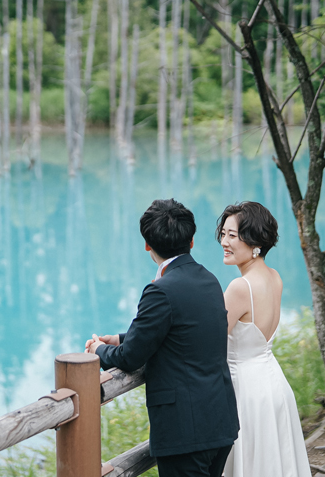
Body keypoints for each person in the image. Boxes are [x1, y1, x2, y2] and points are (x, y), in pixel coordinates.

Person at [85, 198, 239, 477]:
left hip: (185, 430)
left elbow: (130, 358)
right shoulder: (209, 279)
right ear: (191, 241)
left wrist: (98, 350)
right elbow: (184, 329)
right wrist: (121, 338)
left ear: (147, 245)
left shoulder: (161, 290)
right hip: (220, 420)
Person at [217, 201, 312, 477]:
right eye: (223, 234)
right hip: (273, 384)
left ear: (254, 240)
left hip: (246, 391)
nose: (224, 241)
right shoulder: (274, 277)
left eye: (232, 235)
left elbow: (209, 339)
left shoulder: (240, 287)